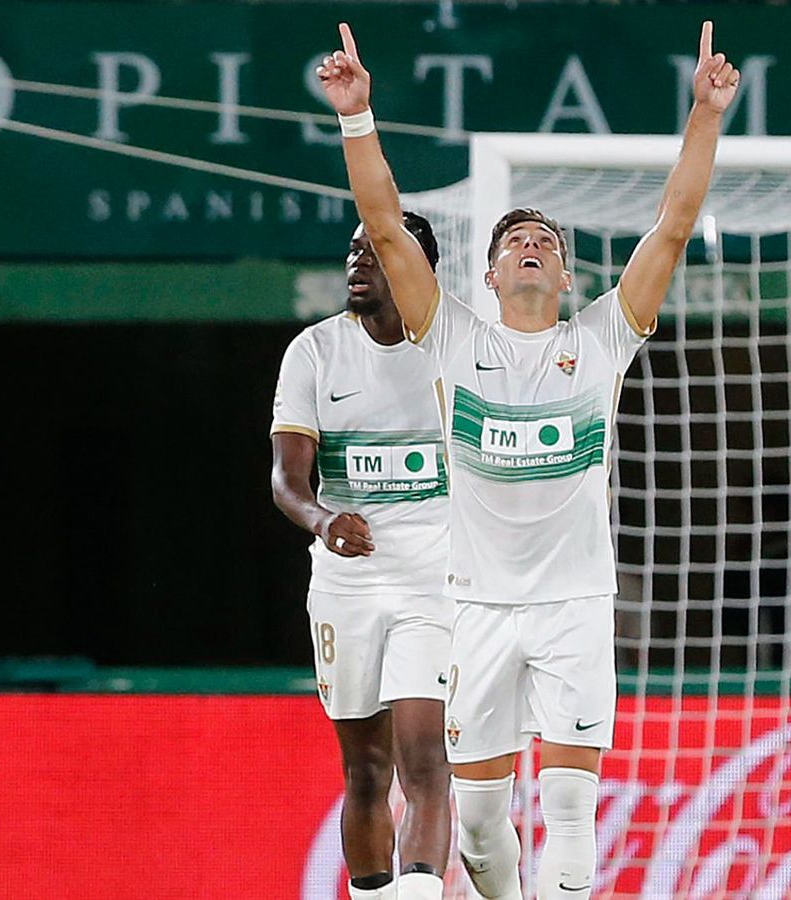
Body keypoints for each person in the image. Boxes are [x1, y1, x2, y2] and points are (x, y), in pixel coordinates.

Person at [314, 20, 739, 900]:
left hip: (575, 605)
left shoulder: (603, 337)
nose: (531, 245)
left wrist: (703, 116)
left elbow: (672, 225)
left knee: (572, 812)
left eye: (546, 239)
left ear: (569, 277)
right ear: (492, 276)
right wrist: (358, 117)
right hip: (476, 607)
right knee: (476, 825)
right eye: (513, 242)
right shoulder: (453, 340)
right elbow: (388, 230)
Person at [270, 213, 454, 900]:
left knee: (425, 759)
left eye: (375, 251)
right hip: (347, 585)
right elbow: (287, 478)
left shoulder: (454, 348)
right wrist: (322, 519)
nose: (357, 262)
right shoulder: (314, 353)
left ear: (417, 267)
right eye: (353, 250)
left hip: (434, 580)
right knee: (366, 770)